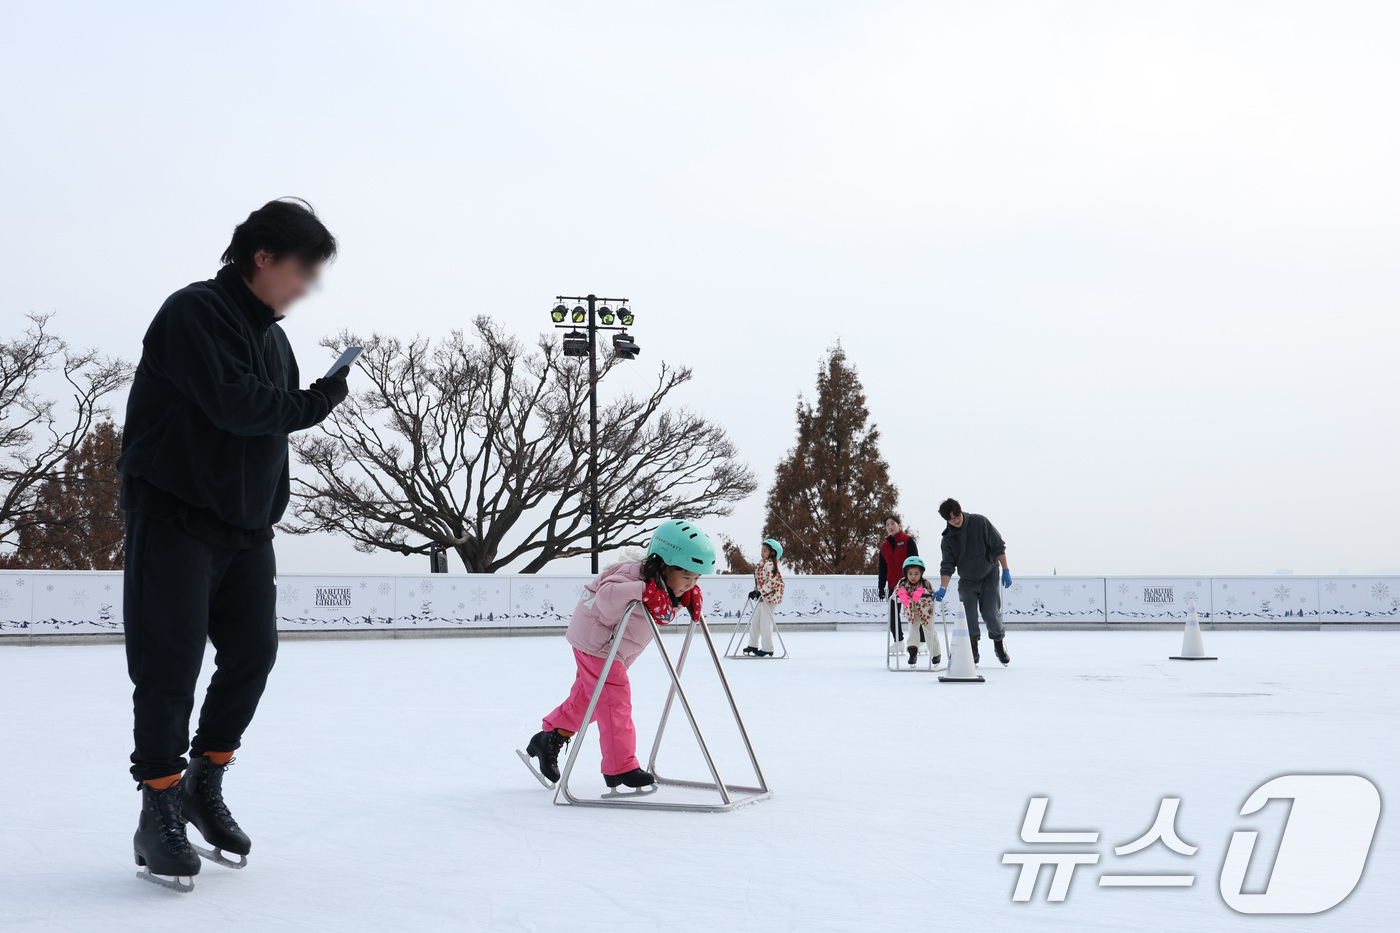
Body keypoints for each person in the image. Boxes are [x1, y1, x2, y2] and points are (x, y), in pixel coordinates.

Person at [116, 199, 347, 890]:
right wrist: (319, 399)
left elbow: (260, 429)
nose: (308, 285)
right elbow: (237, 405)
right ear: (263, 257)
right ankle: (159, 800)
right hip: (176, 517)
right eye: (305, 268)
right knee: (171, 664)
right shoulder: (192, 314)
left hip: (247, 530)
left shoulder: (274, 338)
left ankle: (203, 781)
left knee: (254, 653)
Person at [523, 520, 715, 791]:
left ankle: (550, 737)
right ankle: (620, 767)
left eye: (696, 579)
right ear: (663, 564)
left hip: (612, 648)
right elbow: (607, 598)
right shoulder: (632, 577)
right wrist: (642, 591)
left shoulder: (663, 584)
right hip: (598, 644)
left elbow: (660, 603)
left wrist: (681, 598)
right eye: (686, 577)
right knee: (614, 700)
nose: (690, 584)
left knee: (588, 699)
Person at [934, 498, 1012, 666]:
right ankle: (973, 647)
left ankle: (998, 643)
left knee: (991, 613)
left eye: (957, 517)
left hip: (989, 575)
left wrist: (1005, 570)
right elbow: (947, 565)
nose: (955, 521)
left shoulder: (980, 522)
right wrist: (942, 588)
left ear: (960, 511)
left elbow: (998, 545)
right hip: (967, 580)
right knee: (968, 615)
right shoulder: (948, 538)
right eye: (951, 520)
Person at [876, 515, 917, 645]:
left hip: (910, 585)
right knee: (893, 614)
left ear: (899, 525)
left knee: (915, 613)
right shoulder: (884, 546)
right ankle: (898, 641)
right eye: (887, 525)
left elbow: (916, 563)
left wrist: (915, 581)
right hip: (894, 586)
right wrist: (881, 587)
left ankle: (921, 640)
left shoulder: (908, 541)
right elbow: (882, 568)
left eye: (892, 523)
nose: (890, 527)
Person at [895, 557, 941, 667]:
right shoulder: (902, 582)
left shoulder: (925, 583)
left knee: (929, 631)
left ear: (921, 573)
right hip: (912, 612)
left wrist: (924, 592)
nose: (913, 576)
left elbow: (932, 594)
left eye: (916, 573)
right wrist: (901, 594)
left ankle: (935, 654)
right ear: (906, 573)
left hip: (925, 611)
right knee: (912, 631)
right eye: (910, 573)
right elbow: (895, 594)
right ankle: (912, 652)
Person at [743, 538, 785, 657]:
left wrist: (760, 592)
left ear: (773, 553)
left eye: (765, 550)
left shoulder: (771, 565)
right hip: (763, 597)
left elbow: (773, 582)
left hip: (771, 597)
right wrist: (755, 591)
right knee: (755, 620)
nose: (762, 553)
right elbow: (761, 581)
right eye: (762, 550)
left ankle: (768, 648)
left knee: (765, 622)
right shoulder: (762, 565)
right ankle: (753, 644)